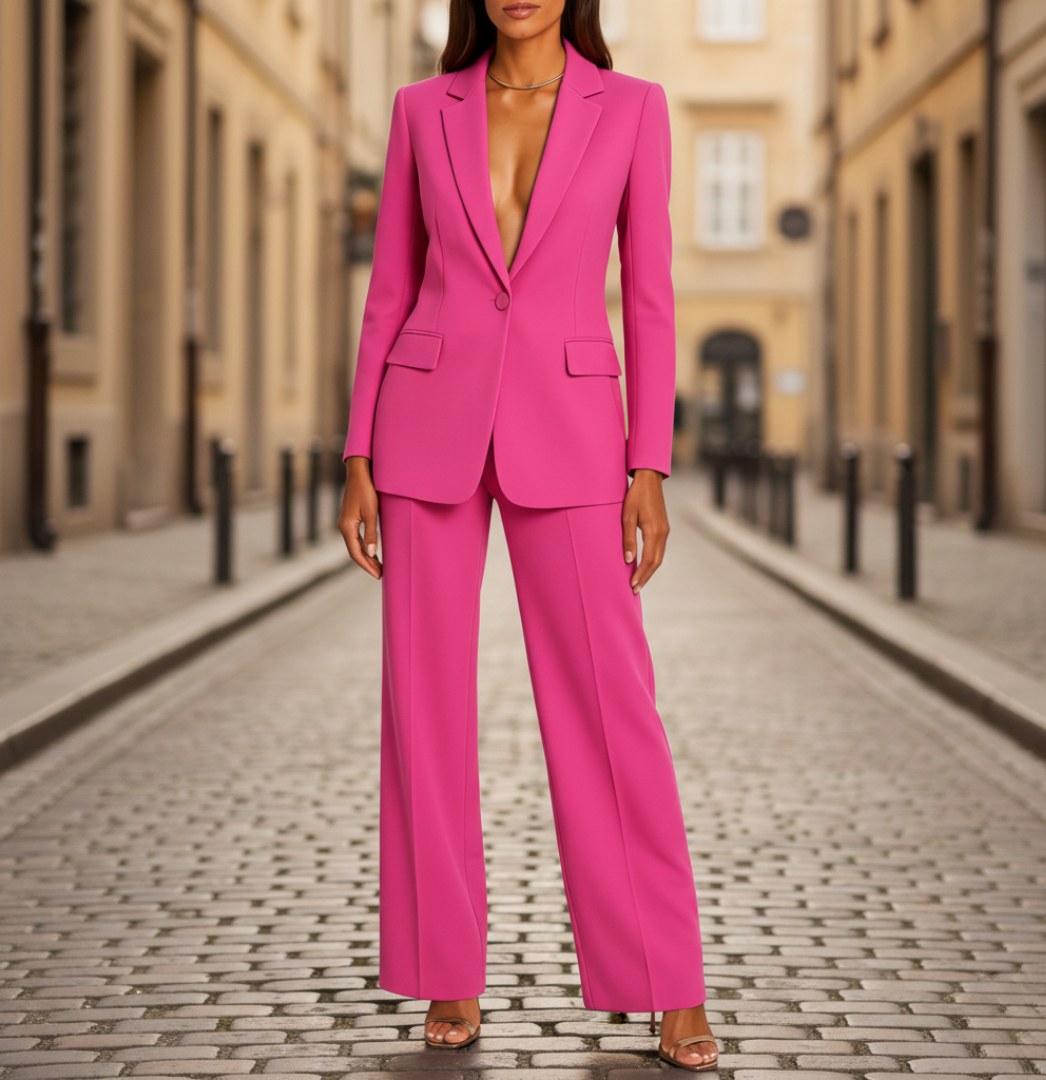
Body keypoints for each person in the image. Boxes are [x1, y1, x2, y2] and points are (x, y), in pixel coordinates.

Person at [337, 0, 718, 1070]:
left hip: (576, 433)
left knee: (611, 707)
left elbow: (649, 296)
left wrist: (650, 463)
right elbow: (390, 289)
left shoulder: (633, 108)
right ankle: (442, 971)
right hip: (423, 430)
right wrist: (358, 452)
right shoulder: (423, 110)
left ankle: (667, 979)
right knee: (424, 709)